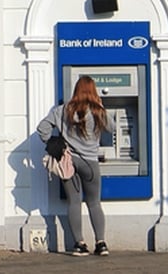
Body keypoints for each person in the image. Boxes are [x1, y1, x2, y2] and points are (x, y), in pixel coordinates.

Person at [38, 75, 115, 256]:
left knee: (74, 202)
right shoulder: (97, 111)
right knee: (94, 203)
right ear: (93, 91)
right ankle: (101, 243)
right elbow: (112, 128)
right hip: (90, 164)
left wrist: (55, 144)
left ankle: (79, 245)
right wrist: (101, 106)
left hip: (69, 161)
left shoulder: (62, 110)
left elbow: (42, 128)